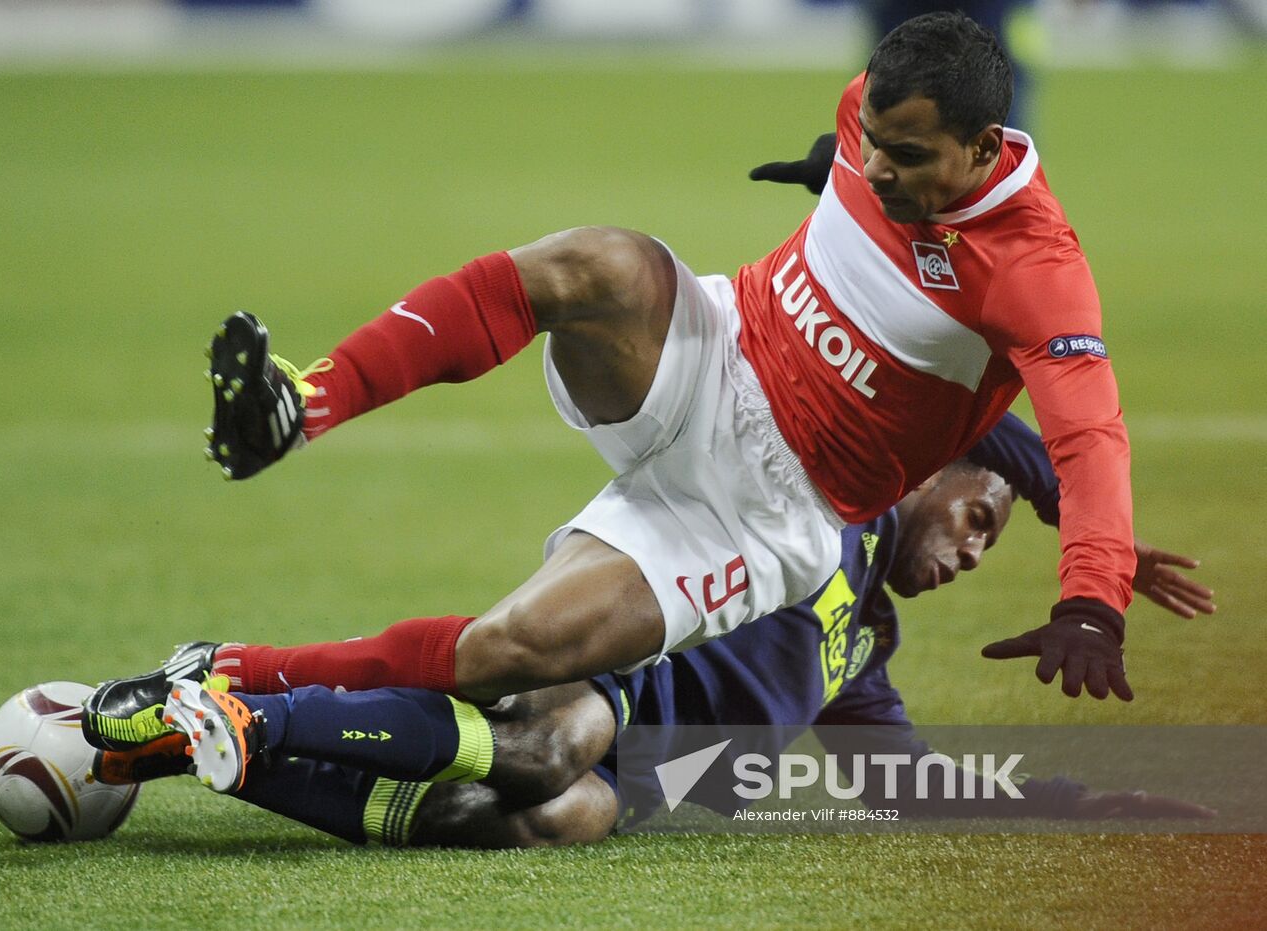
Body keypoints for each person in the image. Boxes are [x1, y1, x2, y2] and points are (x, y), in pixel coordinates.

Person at [85, 12, 1140, 754]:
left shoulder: (1038, 275)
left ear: (981, 147)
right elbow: (862, 168)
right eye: (873, 147)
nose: (878, 172)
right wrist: (836, 164)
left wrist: (1090, 599)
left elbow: (1090, 440)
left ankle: (224, 670)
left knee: (515, 649)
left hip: (762, 508)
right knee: (600, 263)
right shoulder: (874, 118)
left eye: (906, 160)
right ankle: (298, 406)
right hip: (713, 348)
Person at [90, 418, 1214, 848]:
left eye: (988, 549)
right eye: (978, 517)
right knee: (539, 746)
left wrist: (1083, 800)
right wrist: (1086, 523)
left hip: (631, 777)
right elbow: (978, 409)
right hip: (617, 673)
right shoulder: (837, 498)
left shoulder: (859, 653)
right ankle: (250, 700)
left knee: (535, 817)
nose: (972, 551)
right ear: (928, 472)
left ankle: (209, 744)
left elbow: (908, 785)